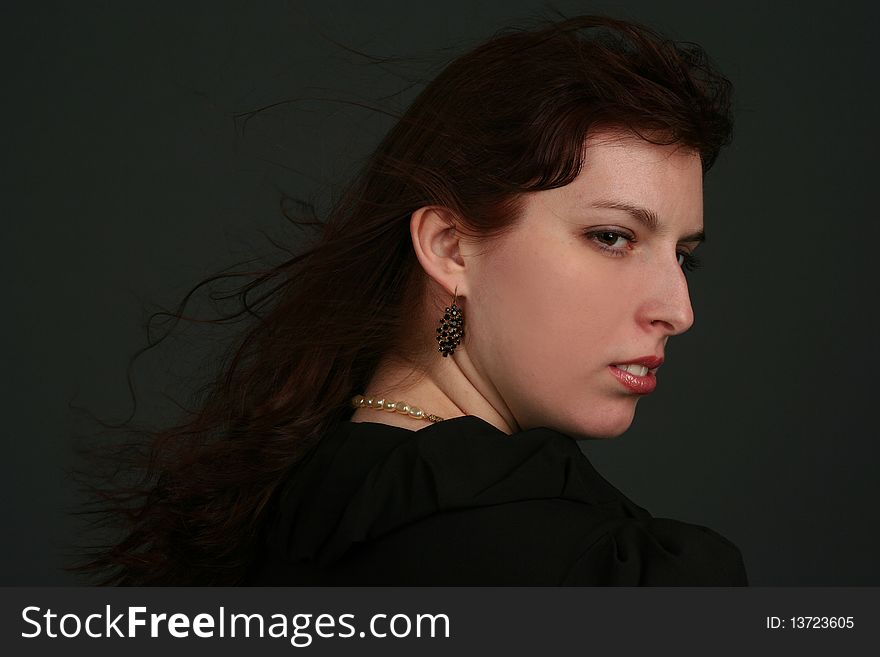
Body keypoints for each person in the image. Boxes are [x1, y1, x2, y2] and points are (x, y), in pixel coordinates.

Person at [76, 14, 747, 586]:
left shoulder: (297, 503)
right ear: (451, 248)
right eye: (612, 236)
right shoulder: (579, 572)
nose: (677, 310)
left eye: (682, 255)